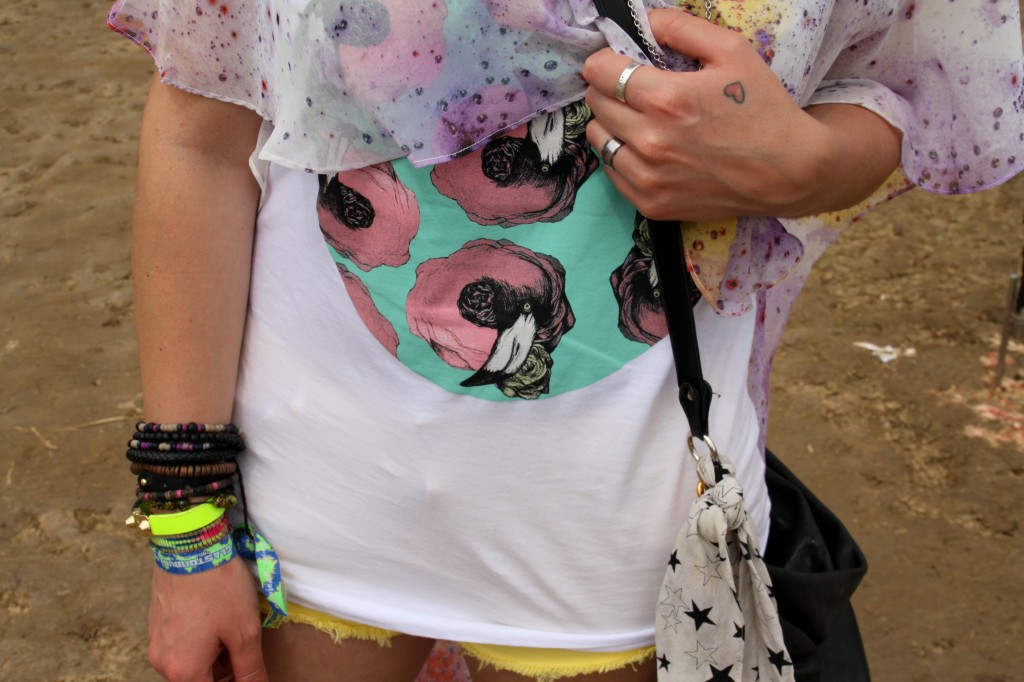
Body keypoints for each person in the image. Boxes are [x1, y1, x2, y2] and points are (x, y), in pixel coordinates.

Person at [110, 1, 1024, 680]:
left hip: (622, 544)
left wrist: (812, 166)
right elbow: (200, 137)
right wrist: (188, 525)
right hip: (308, 514)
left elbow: (910, 73)